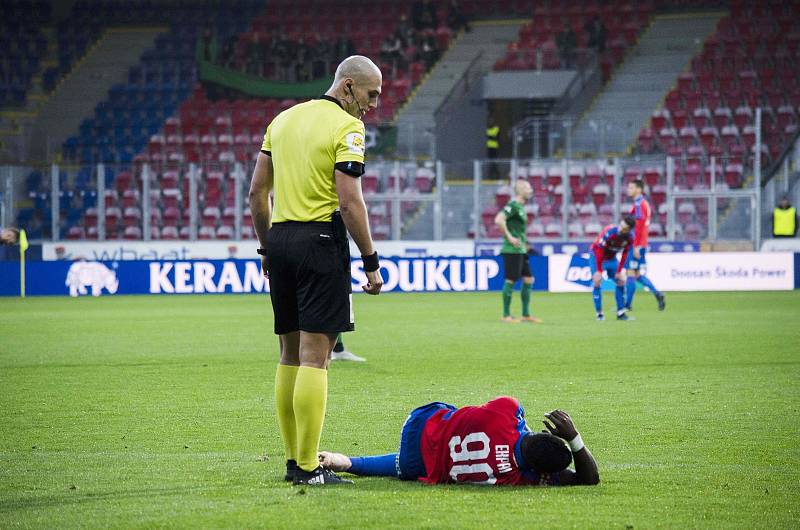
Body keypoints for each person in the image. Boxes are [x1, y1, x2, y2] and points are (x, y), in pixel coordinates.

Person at [249, 55, 384, 486]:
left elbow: (257, 193)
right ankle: (308, 467)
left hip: (282, 241)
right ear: (347, 86)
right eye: (371, 93)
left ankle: (294, 460)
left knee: (289, 353)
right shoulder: (348, 128)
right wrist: (370, 261)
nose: (373, 104)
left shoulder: (282, 120)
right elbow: (349, 202)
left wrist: (267, 247)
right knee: (316, 356)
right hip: (320, 244)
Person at [318, 396, 599, 487]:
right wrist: (575, 441)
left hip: (422, 421)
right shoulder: (520, 477)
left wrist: (565, 433)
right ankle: (347, 462)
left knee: (458, 418)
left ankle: (340, 461)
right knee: (409, 465)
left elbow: (512, 430)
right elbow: (590, 478)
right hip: (418, 465)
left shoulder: (508, 408)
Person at [495, 180, 541, 323]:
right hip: (511, 250)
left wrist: (523, 243)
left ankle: (526, 314)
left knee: (528, 279)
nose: (531, 190)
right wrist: (509, 237)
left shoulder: (520, 207)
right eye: (528, 187)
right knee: (511, 279)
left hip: (520, 249)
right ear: (520, 190)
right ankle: (505, 315)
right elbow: (499, 219)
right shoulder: (513, 205)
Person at [625, 180, 666, 312]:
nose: (628, 190)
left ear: (639, 189)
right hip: (641, 244)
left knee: (630, 273)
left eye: (631, 187)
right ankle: (658, 295)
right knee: (636, 274)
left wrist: (636, 245)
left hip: (636, 245)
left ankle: (627, 305)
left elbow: (638, 227)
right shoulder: (643, 204)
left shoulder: (639, 204)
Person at [590, 216, 635, 321]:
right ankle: (599, 314)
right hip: (596, 256)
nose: (621, 229)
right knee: (597, 281)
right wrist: (599, 271)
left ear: (628, 230)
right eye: (621, 226)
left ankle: (620, 313)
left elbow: (625, 254)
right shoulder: (610, 232)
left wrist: (619, 271)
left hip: (611, 258)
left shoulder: (629, 238)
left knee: (621, 281)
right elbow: (600, 251)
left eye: (624, 228)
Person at [486, 115, 500, 180]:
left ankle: (496, 174)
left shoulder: (496, 128)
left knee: (494, 162)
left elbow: (493, 135)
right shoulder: (487, 128)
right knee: (489, 162)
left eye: (491, 120)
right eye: (489, 120)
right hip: (488, 147)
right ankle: (490, 175)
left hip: (494, 147)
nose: (490, 122)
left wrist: (489, 135)